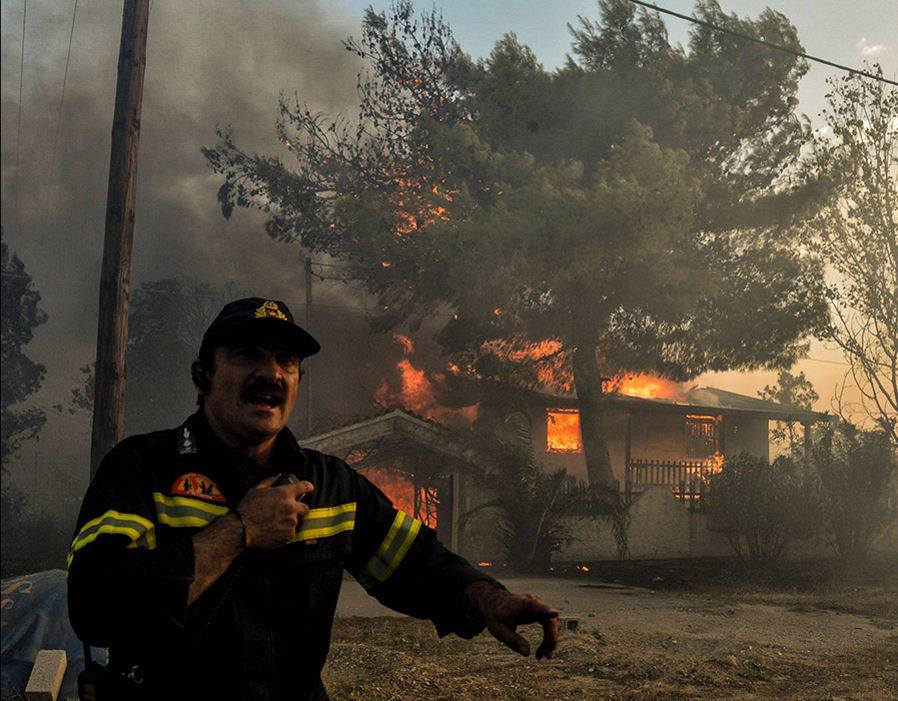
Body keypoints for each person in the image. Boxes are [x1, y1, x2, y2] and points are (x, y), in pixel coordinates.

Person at [67, 297, 560, 700]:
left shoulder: (334, 487)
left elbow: (419, 564)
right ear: (203, 377)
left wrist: (490, 599)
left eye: (286, 361)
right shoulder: (140, 468)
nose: (271, 373)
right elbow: (95, 606)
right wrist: (238, 532)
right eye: (247, 355)